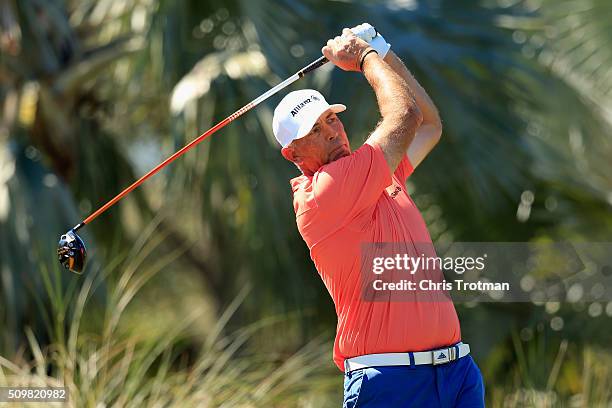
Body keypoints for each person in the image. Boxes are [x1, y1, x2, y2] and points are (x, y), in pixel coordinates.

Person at [272, 25, 485, 407]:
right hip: (389, 382)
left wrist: (382, 50)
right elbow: (402, 115)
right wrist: (364, 57)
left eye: (331, 120)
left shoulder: (374, 175)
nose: (333, 134)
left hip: (456, 373)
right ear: (293, 154)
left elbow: (428, 125)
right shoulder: (324, 192)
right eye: (315, 131)